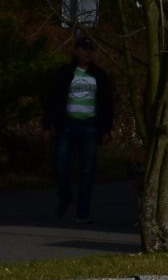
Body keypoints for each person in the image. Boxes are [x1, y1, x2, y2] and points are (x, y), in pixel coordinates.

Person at [43, 36, 116, 223]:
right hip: (67, 124)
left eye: (91, 49)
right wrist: (47, 126)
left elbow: (108, 103)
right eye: (84, 49)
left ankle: (83, 211)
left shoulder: (99, 75)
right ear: (76, 51)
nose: (88, 53)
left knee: (87, 170)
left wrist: (107, 129)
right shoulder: (65, 73)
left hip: (90, 126)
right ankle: (65, 196)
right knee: (61, 165)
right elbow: (52, 100)